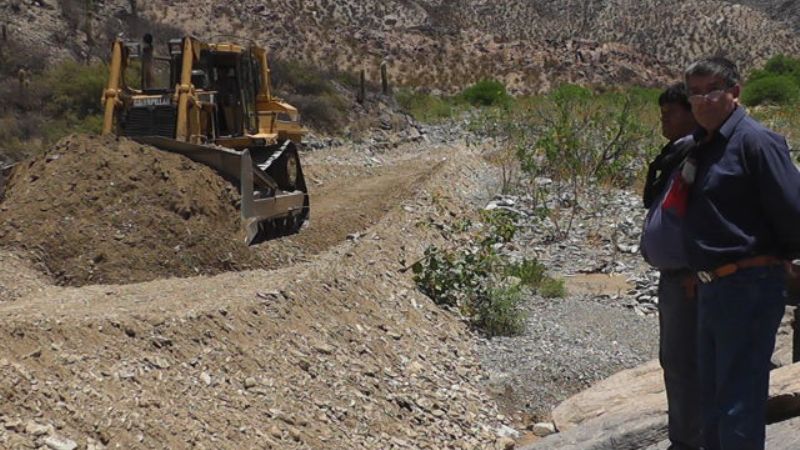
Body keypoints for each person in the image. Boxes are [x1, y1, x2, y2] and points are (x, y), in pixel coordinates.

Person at [682, 56, 800, 450]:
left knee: (738, 403)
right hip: (713, 287)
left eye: (712, 90)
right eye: (694, 93)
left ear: (734, 92)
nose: (703, 100)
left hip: (749, 284)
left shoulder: (756, 142)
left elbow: (792, 210)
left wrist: (781, 259)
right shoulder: (704, 144)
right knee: (713, 401)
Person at [640, 82, 702, 450]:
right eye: (661, 113)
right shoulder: (678, 152)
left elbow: (708, 215)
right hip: (676, 277)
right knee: (676, 360)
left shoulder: (700, 153)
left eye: (670, 113)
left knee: (684, 361)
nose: (663, 119)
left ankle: (689, 440)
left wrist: (698, 267)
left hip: (691, 278)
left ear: (692, 113)